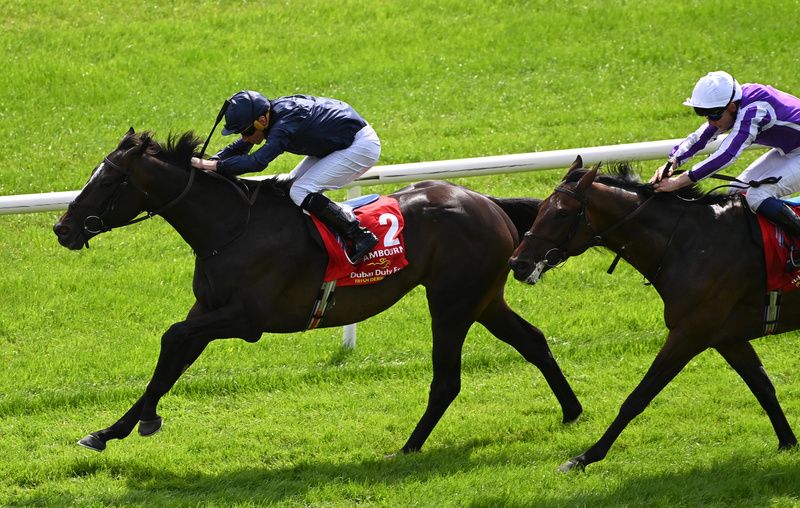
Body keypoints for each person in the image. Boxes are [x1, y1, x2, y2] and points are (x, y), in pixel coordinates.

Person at [192, 90, 380, 264]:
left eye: (247, 131)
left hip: (359, 146)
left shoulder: (284, 123)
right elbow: (241, 145)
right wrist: (209, 160)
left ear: (262, 121)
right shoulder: (269, 115)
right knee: (290, 186)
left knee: (300, 190)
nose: (245, 137)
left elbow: (257, 162)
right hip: (337, 143)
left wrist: (214, 166)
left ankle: (359, 235)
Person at [651, 71, 800, 259]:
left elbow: (727, 155)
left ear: (731, 106)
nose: (710, 121)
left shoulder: (754, 110)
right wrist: (673, 162)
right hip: (792, 150)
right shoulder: (732, 105)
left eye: (713, 115)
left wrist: (680, 181)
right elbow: (699, 137)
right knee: (735, 190)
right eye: (704, 114)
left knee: (757, 195)